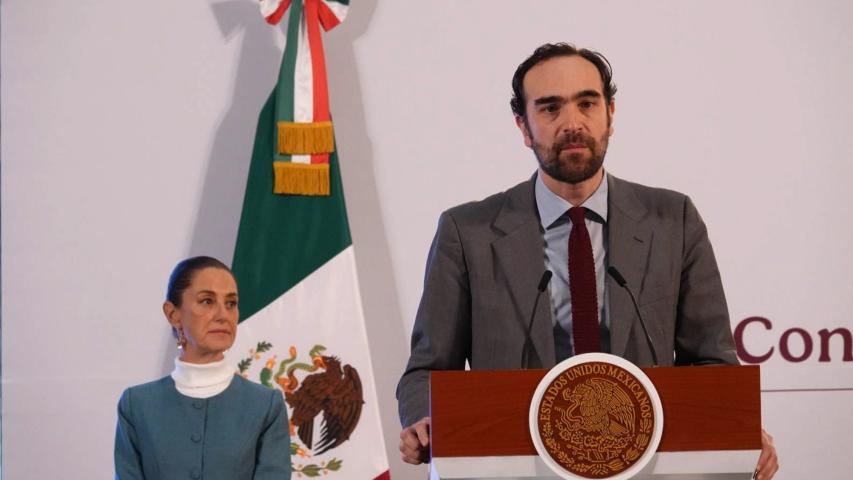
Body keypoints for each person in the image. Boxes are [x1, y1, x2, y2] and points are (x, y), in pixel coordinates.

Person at [396, 43, 778, 479]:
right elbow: (426, 370)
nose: (572, 123)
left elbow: (713, 363)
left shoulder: (673, 220)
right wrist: (422, 419)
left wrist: (739, 427)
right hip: (515, 465)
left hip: (648, 466)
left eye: (587, 103)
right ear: (524, 126)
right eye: (550, 108)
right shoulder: (468, 232)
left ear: (610, 114)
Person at [114, 256, 291, 480]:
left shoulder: (266, 406)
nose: (222, 315)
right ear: (172, 313)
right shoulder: (137, 406)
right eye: (207, 301)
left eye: (231, 303)